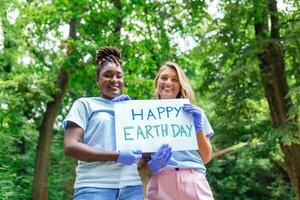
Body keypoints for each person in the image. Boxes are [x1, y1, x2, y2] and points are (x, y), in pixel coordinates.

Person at [63, 46, 144, 200]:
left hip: (132, 188)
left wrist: (155, 157)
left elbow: (142, 150)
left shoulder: (134, 110)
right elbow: (70, 147)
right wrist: (117, 156)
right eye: (107, 75)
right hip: (94, 187)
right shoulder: (85, 105)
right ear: (98, 80)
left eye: (119, 76)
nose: (114, 80)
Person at [146, 61, 214, 200]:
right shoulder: (144, 115)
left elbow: (206, 157)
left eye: (175, 80)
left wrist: (198, 128)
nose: (168, 82)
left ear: (180, 85)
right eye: (164, 78)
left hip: (193, 179)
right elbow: (140, 163)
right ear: (157, 81)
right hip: (161, 181)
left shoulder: (195, 113)